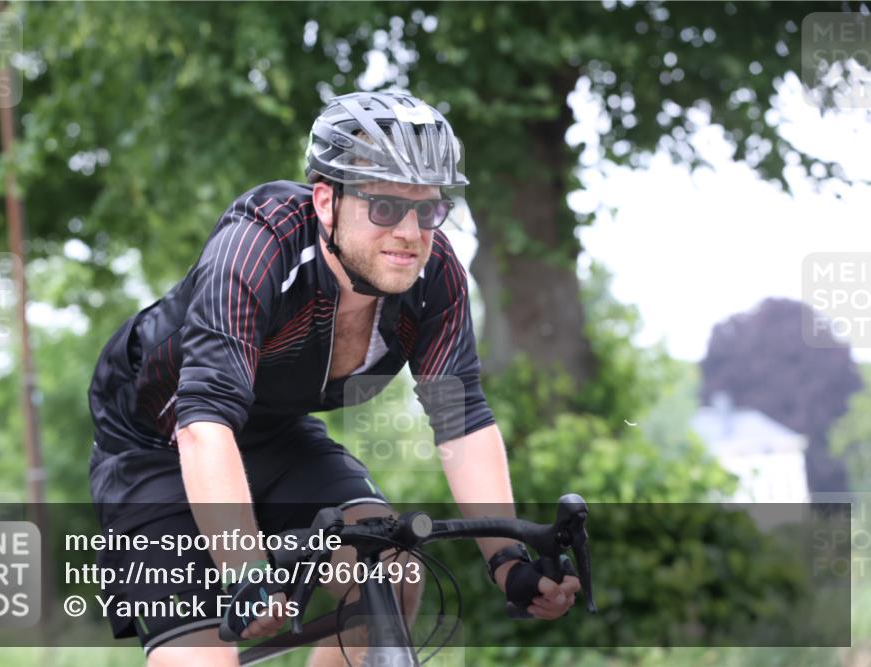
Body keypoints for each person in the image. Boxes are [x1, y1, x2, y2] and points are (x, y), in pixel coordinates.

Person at [87, 91, 579, 667]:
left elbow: (462, 420)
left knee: (391, 571)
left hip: (273, 433)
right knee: (207, 659)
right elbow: (204, 426)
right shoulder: (258, 247)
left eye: (428, 209)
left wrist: (508, 562)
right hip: (156, 444)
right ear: (326, 200)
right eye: (385, 207)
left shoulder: (434, 275)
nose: (410, 232)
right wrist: (245, 570)